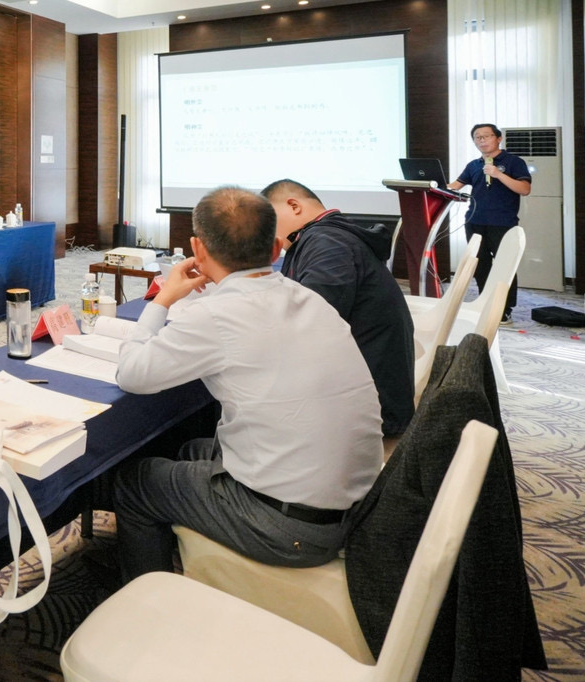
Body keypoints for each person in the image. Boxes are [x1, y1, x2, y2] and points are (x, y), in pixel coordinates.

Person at [110, 186, 382, 583]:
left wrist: (162, 300)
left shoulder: (214, 315)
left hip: (291, 528)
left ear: (197, 249)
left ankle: (147, 596)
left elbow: (131, 375)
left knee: (136, 482)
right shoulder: (309, 298)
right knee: (189, 449)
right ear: (276, 248)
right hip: (358, 507)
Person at [261, 178, 416, 437]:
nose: (266, 234)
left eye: (269, 222)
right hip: (365, 391)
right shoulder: (325, 237)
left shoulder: (327, 242)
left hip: (368, 410)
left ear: (294, 206)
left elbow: (307, 324)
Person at [447, 123, 532, 324]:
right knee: (480, 265)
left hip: (502, 223)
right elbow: (454, 187)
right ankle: (485, 302)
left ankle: (504, 309)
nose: (482, 140)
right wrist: (431, 186)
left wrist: (498, 174)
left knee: (504, 266)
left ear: (498, 138)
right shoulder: (473, 165)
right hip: (474, 222)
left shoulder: (513, 162)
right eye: (477, 137)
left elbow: (524, 189)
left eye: (486, 136)